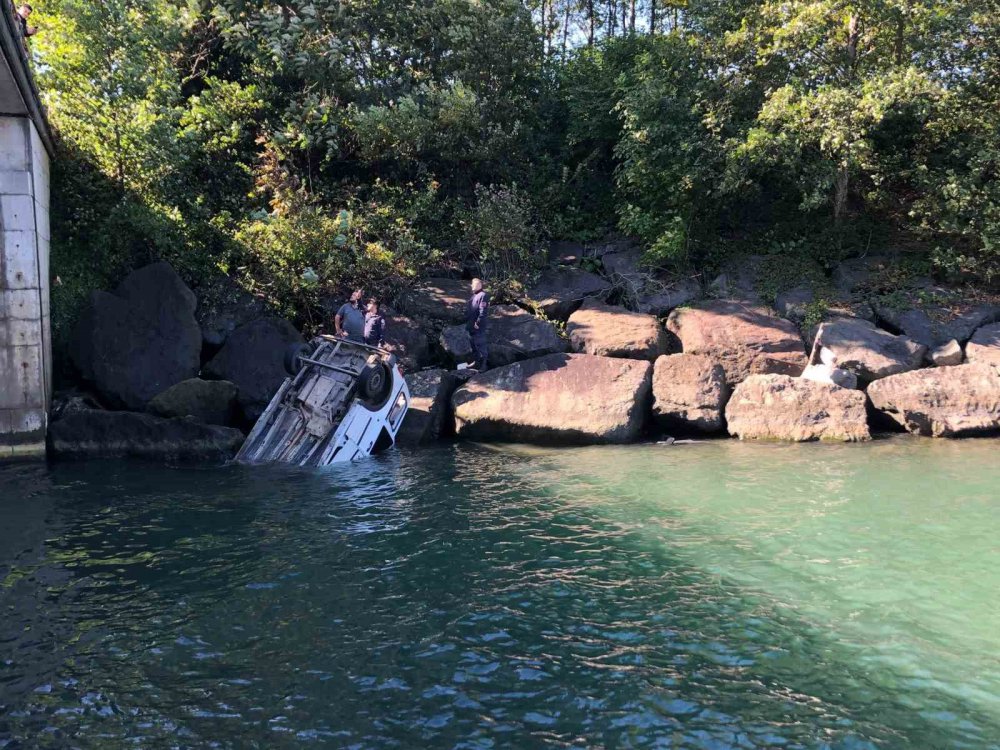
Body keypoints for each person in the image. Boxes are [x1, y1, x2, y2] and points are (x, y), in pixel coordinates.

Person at [465, 278, 489, 371]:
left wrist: (477, 323)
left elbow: (483, 312)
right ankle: (476, 362)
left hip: (478, 326)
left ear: (479, 285)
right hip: (471, 325)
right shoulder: (474, 296)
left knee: (481, 345)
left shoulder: (483, 295)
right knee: (473, 345)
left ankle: (484, 365)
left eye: (473, 284)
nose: (472, 285)